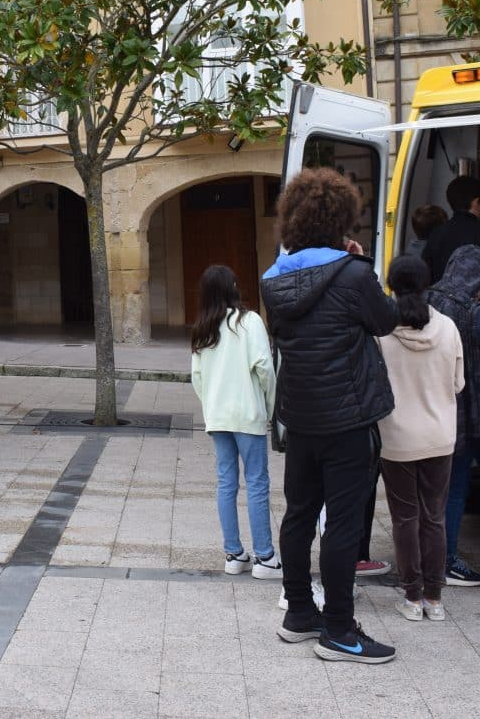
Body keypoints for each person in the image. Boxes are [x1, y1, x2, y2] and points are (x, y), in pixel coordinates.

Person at [262, 167, 399, 665]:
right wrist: (361, 269)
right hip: (348, 418)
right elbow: (385, 321)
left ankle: (300, 612)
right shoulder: (354, 273)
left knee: (299, 514)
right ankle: (340, 630)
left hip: (300, 417)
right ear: (343, 220)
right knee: (342, 523)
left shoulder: (274, 279)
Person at [376, 256, 464, 622]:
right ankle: (434, 597)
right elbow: (458, 384)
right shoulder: (448, 327)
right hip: (439, 436)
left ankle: (411, 597)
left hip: (395, 437)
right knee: (434, 516)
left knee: (404, 518)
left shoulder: (381, 332)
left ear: (391, 285)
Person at [189, 264, 280, 580]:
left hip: (218, 416)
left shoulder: (203, 327)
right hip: (247, 413)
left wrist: (211, 406)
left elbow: (197, 377)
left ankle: (234, 553)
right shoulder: (250, 321)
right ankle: (265, 557)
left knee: (226, 482)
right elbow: (264, 369)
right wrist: (270, 407)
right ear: (233, 287)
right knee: (256, 482)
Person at [426, 244, 480, 588]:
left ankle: (422, 555)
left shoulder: (423, 300)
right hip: (459, 413)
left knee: (424, 491)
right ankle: (447, 559)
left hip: (421, 409)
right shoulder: (474, 313)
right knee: (454, 490)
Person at [422, 175, 480, 284]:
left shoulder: (437, 232)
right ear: (476, 202)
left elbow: (426, 270)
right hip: (472, 299)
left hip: (439, 298)